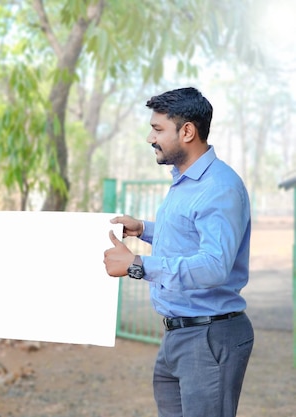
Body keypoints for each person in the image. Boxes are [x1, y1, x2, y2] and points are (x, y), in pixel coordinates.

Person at [103, 87, 254, 417]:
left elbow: (214, 265)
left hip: (209, 337)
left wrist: (137, 265)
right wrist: (143, 230)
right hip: (180, 334)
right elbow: (188, 238)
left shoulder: (219, 187)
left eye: (157, 129)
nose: (149, 138)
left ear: (187, 131)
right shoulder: (186, 182)